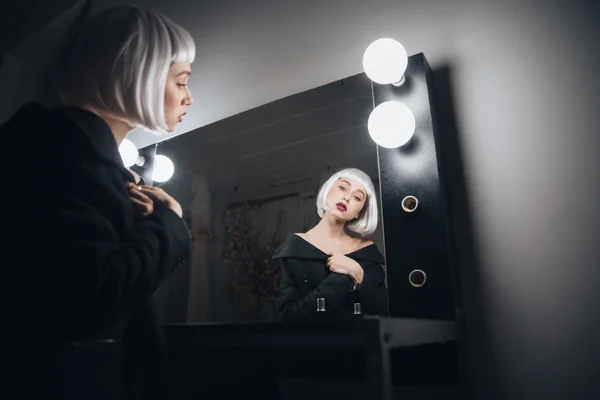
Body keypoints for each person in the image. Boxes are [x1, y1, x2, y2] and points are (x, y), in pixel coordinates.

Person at [2, 5, 195, 399]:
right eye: (181, 81)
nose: (189, 98)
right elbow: (93, 291)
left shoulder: (79, 155)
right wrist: (170, 223)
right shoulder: (57, 147)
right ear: (137, 72)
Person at [274, 168, 388, 321]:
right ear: (328, 190)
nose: (347, 197)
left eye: (357, 197)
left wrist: (357, 272)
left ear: (359, 213)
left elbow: (384, 312)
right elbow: (288, 319)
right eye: (342, 188)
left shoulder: (366, 252)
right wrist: (342, 278)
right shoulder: (295, 248)